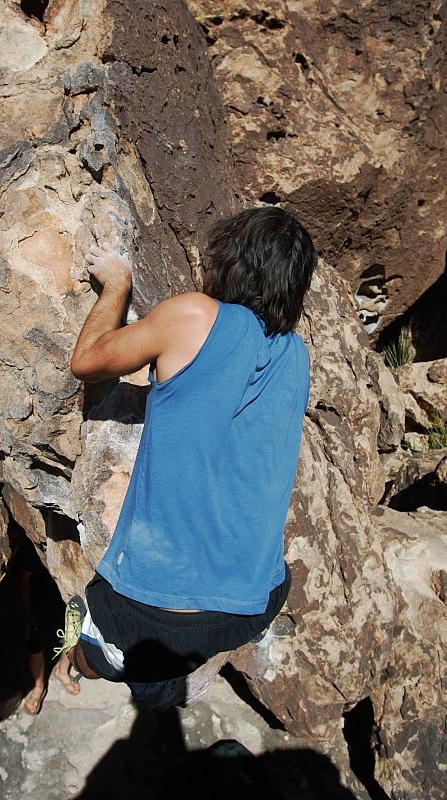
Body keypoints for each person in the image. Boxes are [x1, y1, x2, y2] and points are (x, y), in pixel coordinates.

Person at [53, 206, 317, 710]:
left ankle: (82, 652)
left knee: (96, 654)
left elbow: (87, 363)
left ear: (231, 261)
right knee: (176, 655)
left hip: (155, 610)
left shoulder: (194, 315)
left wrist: (116, 285)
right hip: (255, 601)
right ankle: (160, 678)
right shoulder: (297, 355)